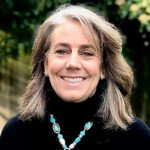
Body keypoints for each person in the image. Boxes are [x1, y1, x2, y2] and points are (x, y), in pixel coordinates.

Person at [0, 4, 150, 150]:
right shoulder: (16, 134)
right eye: (62, 51)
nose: (73, 63)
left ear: (103, 67)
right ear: (46, 64)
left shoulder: (136, 138)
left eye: (87, 53)